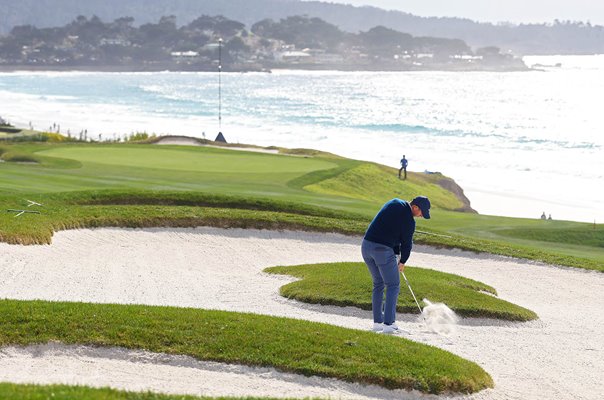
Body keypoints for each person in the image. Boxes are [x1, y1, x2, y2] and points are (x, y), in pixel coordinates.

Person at [361, 196, 431, 334]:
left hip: (366, 246)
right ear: (415, 207)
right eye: (422, 212)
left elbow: (391, 231)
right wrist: (403, 261)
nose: (422, 215)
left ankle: (378, 323)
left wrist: (396, 253)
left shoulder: (394, 202)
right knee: (393, 285)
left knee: (378, 283)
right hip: (381, 250)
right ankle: (389, 324)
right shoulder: (409, 221)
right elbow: (406, 244)